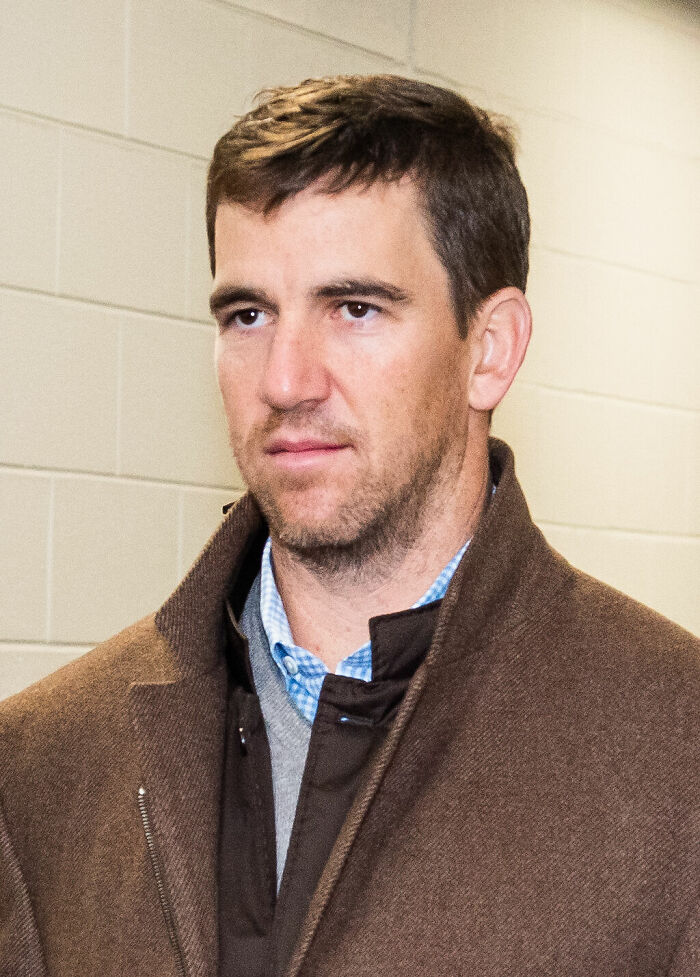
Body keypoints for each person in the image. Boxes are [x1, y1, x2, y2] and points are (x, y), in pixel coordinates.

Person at [0, 75, 697, 977]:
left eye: (354, 308)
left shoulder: (673, 748)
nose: (286, 379)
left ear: (490, 350)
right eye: (247, 314)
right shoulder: (43, 764)